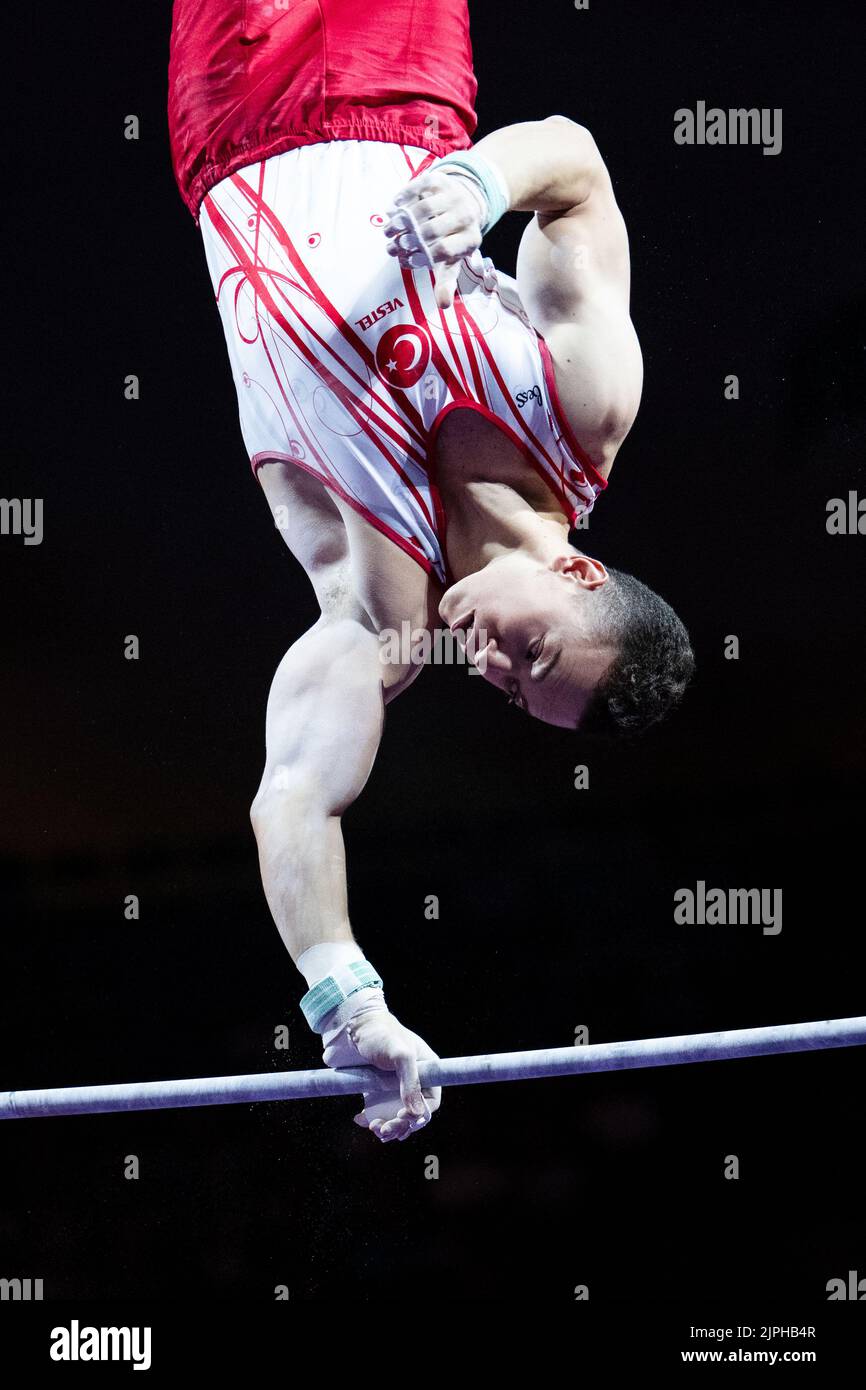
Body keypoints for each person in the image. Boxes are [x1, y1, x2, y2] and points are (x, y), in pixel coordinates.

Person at [168, 0, 694, 1143]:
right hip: (397, 82)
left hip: (229, 113)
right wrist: (477, 187)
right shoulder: (584, 404)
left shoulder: (376, 616)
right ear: (584, 574)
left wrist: (345, 998)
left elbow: (295, 796)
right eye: (532, 650)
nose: (490, 663)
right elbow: (576, 164)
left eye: (509, 688)